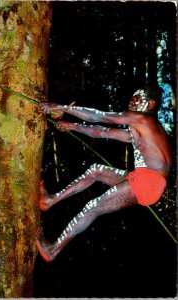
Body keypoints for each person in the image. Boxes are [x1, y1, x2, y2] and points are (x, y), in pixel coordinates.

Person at [36, 86, 172, 262]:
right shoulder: (142, 128)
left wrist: (61, 107)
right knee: (96, 171)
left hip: (148, 182)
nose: (132, 101)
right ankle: (50, 200)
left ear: (150, 104)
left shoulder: (143, 119)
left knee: (93, 207)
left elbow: (101, 116)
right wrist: (73, 126)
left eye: (137, 98)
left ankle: (52, 250)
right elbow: (102, 132)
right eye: (132, 97)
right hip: (144, 178)